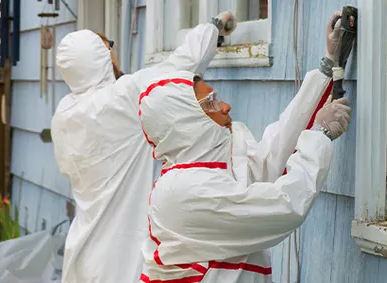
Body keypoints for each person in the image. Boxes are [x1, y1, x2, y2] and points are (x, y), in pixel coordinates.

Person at [134, 10, 352, 283]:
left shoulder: (211, 171)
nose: (226, 106)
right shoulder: (184, 192)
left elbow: (271, 156)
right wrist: (318, 134)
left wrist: (326, 67)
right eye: (211, 102)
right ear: (185, 121)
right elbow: (283, 207)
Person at [50, 12, 236, 283]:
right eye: (108, 47)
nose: (113, 52)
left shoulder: (64, 114)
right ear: (102, 56)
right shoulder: (123, 97)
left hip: (82, 252)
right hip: (122, 258)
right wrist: (214, 27)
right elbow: (180, 65)